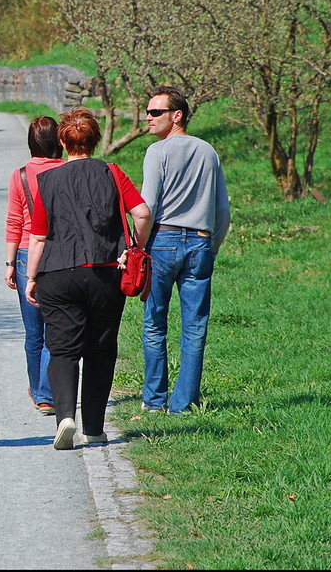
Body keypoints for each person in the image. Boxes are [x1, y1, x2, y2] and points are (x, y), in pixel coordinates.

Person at [24, 107, 152, 450]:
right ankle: (94, 427)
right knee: (100, 348)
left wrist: (31, 277)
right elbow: (142, 213)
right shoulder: (112, 172)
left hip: (58, 271)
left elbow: (37, 237)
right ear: (95, 141)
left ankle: (65, 416)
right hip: (105, 272)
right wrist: (134, 247)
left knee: (62, 347)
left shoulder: (47, 181)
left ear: (63, 142)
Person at [140, 86, 231, 415]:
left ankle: (154, 400)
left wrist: (137, 246)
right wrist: (213, 246)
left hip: (162, 241)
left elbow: (147, 206)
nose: (147, 118)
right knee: (194, 327)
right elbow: (223, 211)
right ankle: (184, 404)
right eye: (147, 112)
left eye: (155, 113)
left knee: (154, 322)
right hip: (200, 243)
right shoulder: (209, 151)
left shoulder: (157, 152)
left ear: (176, 115)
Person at [4, 116, 66, 417]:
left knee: (33, 331)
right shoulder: (67, 169)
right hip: (60, 254)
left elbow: (14, 221)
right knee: (57, 327)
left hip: (28, 253)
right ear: (59, 140)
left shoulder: (21, 175)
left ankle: (41, 394)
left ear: (31, 142)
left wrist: (9, 263)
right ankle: (50, 390)